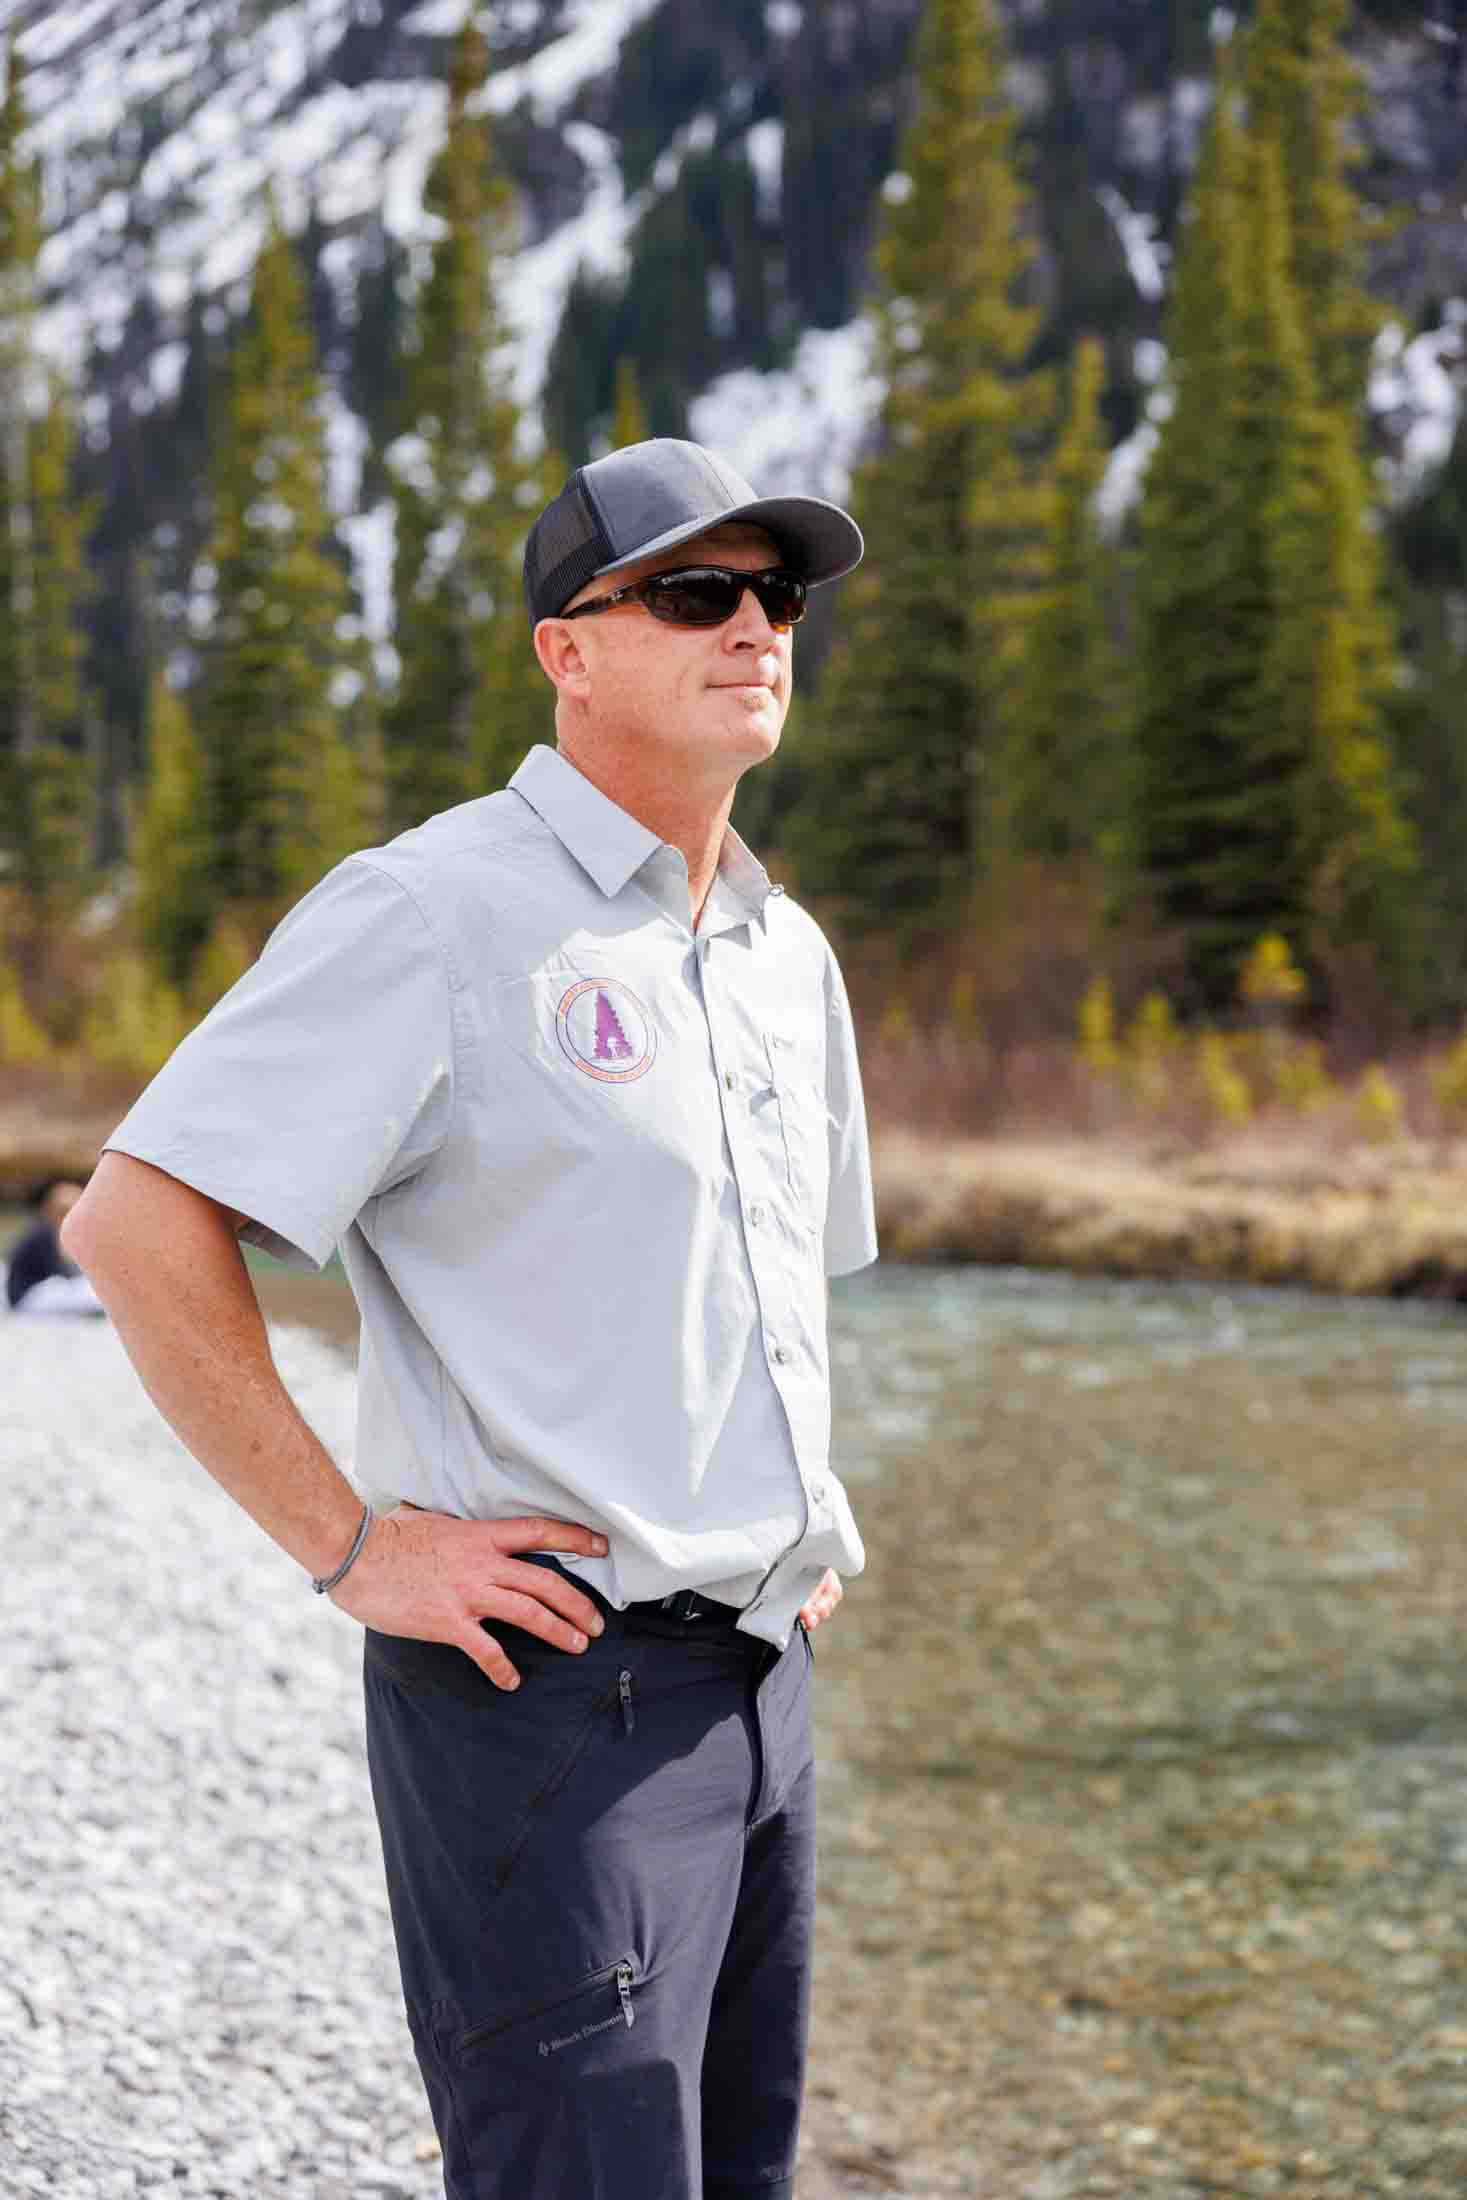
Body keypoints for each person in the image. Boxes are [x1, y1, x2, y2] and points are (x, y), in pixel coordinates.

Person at [61, 437, 878, 2200]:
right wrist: (351, 1547)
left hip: (764, 1686)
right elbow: (134, 1223)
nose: (754, 628)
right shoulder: (432, 910)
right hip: (547, 1706)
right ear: (565, 650)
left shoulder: (775, 950)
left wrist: (805, 1507)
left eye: (775, 594)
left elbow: (760, 1282)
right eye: (693, 592)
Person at [4, 1177, 105, 1317]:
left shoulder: (54, 1231)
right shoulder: (43, 1233)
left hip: (42, 1293)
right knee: (86, 1292)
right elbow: (60, 1273)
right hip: (29, 1297)